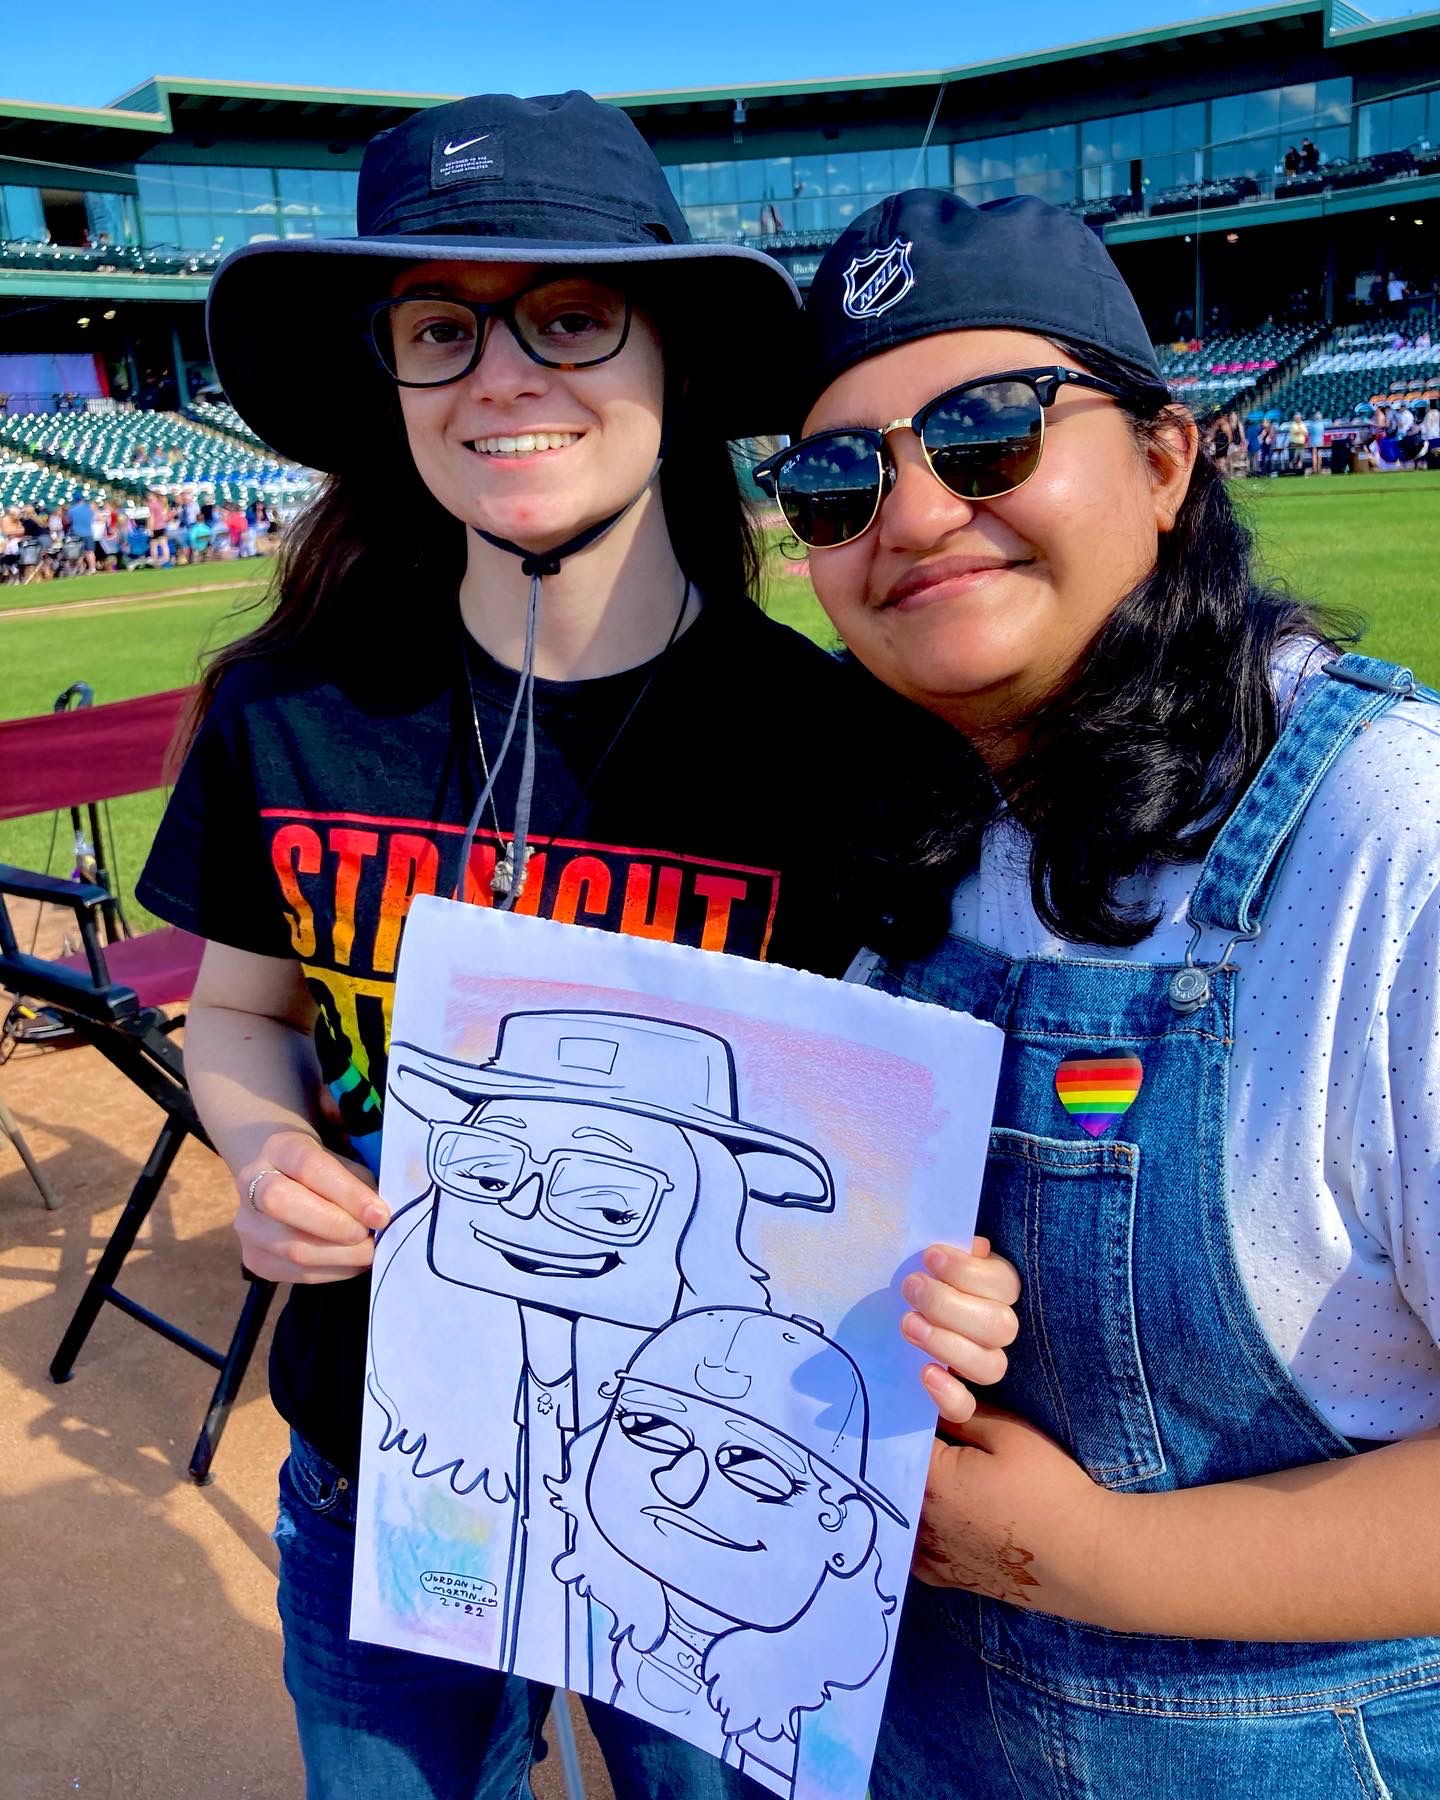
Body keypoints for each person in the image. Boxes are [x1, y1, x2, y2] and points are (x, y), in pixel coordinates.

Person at [133, 93, 1019, 1800]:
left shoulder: (835, 746)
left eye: (570, 314)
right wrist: (263, 1145)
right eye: (442, 328)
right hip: (384, 1464)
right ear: (389, 380)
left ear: (671, 357)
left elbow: (908, 1140)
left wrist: (948, 1283)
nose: (504, 375)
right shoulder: (289, 711)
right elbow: (236, 1013)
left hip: (721, 1500)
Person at [758, 187, 1440, 1797]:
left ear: (1161, 458)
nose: (911, 516)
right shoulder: (907, 822)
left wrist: (1089, 1557)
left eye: (987, 434)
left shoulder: (1388, 838)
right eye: (835, 480)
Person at [1306, 406, 1326, 473]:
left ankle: (1315, 469)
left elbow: (1309, 432)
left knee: (1314, 454)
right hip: (1320, 441)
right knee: (1319, 454)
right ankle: (1319, 468)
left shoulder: (1312, 425)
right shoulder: (1321, 425)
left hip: (1313, 441)